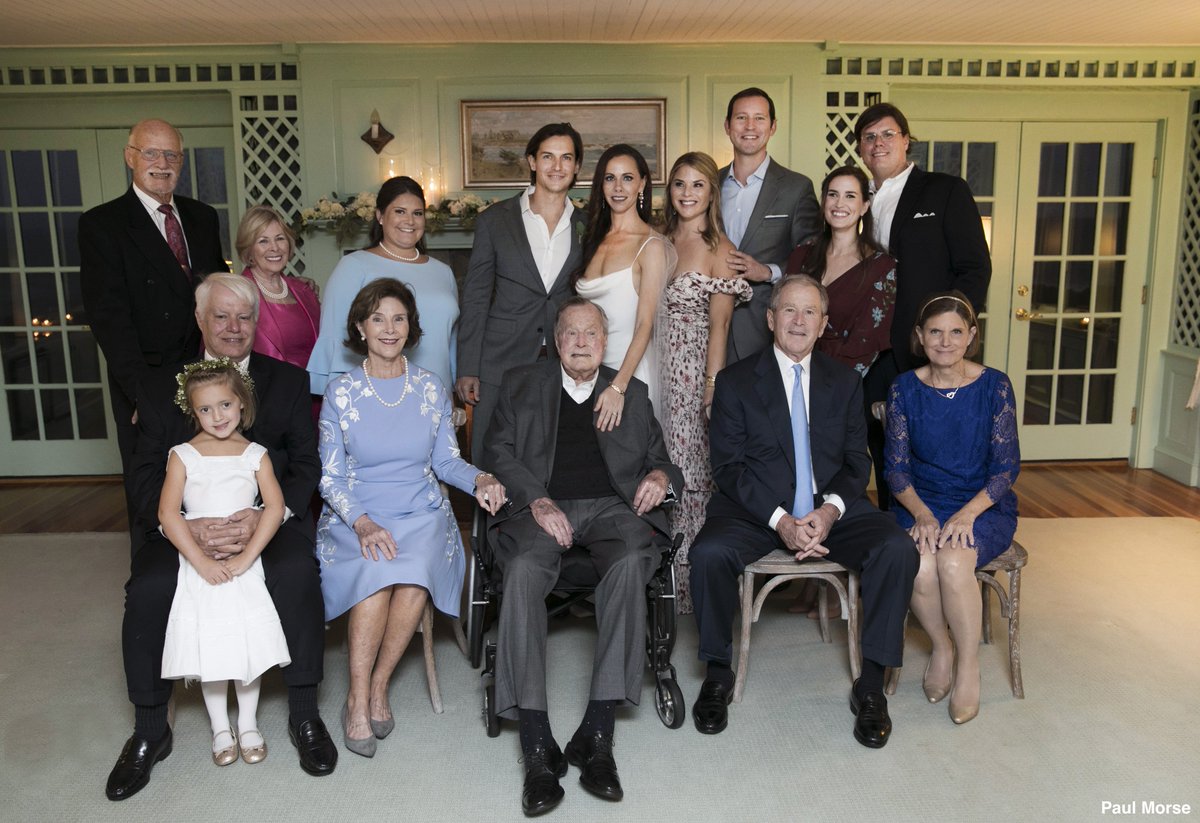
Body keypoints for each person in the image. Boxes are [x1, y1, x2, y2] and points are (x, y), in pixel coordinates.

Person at [107, 273, 336, 802]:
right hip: (183, 525)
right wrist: (186, 526)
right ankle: (150, 728)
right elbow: (143, 475)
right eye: (221, 316)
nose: (234, 327)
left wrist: (265, 516)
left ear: (258, 320)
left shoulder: (288, 381)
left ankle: (304, 714)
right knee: (148, 587)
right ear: (200, 319)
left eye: (245, 316)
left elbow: (305, 464)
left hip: (266, 520)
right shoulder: (161, 386)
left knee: (297, 572)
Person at [687, 275, 917, 748]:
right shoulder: (735, 382)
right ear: (771, 319)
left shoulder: (844, 382)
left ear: (823, 323)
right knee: (708, 553)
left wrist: (829, 512)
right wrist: (781, 521)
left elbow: (856, 462)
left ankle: (871, 685)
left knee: (896, 548)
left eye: (810, 312)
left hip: (828, 509)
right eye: (788, 310)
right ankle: (717, 672)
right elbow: (728, 468)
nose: (798, 320)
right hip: (756, 511)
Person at [483, 297, 683, 815]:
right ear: (556, 341)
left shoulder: (631, 392)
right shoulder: (521, 384)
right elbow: (497, 452)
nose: (580, 342)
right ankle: (536, 744)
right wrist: (537, 499)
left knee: (632, 559)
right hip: (542, 506)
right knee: (521, 569)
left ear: (604, 342)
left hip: (611, 507)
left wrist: (658, 476)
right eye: (570, 333)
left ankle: (596, 733)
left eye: (590, 333)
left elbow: (663, 463)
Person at [315, 279, 505, 757]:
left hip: (420, 509)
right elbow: (330, 478)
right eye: (377, 318)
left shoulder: (429, 387)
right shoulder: (340, 392)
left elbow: (445, 462)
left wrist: (481, 478)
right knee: (376, 572)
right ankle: (357, 700)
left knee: (415, 570)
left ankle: (379, 685)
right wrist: (362, 523)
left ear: (410, 327)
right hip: (357, 512)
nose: (389, 328)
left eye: (398, 318)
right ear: (360, 327)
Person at [79, 118, 228, 530]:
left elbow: (218, 291)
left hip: (204, 373)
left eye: (171, 155)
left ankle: (213, 557)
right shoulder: (102, 224)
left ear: (181, 162)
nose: (162, 164)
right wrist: (140, 395)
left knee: (210, 477)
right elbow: (108, 317)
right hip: (146, 378)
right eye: (151, 153)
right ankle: (151, 566)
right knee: (151, 488)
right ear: (130, 157)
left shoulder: (202, 217)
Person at [884, 292, 1019, 725]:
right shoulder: (904, 388)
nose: (945, 342)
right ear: (920, 336)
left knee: (955, 562)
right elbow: (895, 470)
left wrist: (967, 514)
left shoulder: (995, 385)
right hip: (921, 502)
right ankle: (941, 648)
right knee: (920, 564)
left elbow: (1005, 469)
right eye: (936, 332)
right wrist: (922, 514)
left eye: (956, 332)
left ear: (971, 336)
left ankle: (968, 666)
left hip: (982, 505)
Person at [854, 102, 992, 508]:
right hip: (868, 353)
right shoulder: (853, 198)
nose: (878, 143)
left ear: (906, 140)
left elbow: (974, 268)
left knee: (933, 449)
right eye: (869, 137)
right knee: (880, 450)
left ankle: (943, 531)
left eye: (887, 134)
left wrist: (950, 336)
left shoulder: (945, 190)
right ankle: (893, 533)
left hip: (922, 350)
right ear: (860, 149)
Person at [158, 359, 290, 767]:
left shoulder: (255, 455)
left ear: (242, 403)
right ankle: (220, 726)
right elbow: (168, 514)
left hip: (243, 567)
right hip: (202, 569)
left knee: (246, 642)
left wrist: (248, 557)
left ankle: (248, 723)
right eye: (205, 409)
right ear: (192, 411)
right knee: (211, 645)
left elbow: (275, 507)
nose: (217, 416)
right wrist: (200, 562)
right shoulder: (183, 456)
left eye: (225, 405)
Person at [456, 123, 586, 462]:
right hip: (500, 359)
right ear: (531, 161)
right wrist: (468, 366)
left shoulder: (587, 224)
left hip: (562, 359)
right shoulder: (495, 220)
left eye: (566, 158)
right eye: (548, 157)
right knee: (491, 454)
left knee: (553, 455)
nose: (557, 166)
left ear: (576, 167)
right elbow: (476, 296)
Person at [660, 151, 752, 614]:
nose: (688, 193)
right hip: (654, 368)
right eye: (680, 183)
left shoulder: (720, 248)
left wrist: (711, 387)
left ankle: (689, 590)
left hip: (693, 370)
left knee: (691, 473)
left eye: (698, 184)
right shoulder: (659, 240)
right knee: (655, 464)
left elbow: (721, 325)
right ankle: (654, 582)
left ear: (712, 193)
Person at [308, 176, 458, 392]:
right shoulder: (354, 266)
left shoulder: (443, 272)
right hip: (375, 394)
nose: (410, 221)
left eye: (417, 213)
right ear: (380, 216)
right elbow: (337, 339)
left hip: (436, 393)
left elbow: (451, 343)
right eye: (400, 211)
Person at [573, 144, 675, 422]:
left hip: (628, 374)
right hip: (588, 374)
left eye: (627, 178)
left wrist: (619, 386)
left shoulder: (650, 246)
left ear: (642, 183)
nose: (618, 187)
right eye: (610, 178)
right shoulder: (593, 239)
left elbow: (645, 324)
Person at [718, 88, 820, 363]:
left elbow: (813, 258)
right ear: (727, 126)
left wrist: (767, 272)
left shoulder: (796, 188)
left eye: (759, 118)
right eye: (741, 117)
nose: (750, 126)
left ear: (773, 126)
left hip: (765, 327)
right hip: (709, 325)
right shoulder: (709, 185)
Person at [787, 165, 896, 378]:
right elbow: (783, 319)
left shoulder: (882, 268)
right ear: (824, 202)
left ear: (864, 206)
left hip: (843, 380)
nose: (839, 203)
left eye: (850, 196)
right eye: (833, 194)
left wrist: (827, 384)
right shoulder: (801, 256)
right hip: (790, 372)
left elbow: (866, 343)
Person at [235, 205, 320, 371]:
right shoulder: (236, 294)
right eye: (263, 241)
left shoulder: (305, 290)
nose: (274, 248)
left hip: (314, 386)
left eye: (280, 238)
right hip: (262, 385)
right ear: (249, 249)